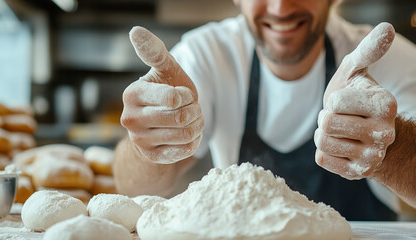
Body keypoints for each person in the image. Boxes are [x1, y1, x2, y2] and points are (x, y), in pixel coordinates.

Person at [114, 0, 416, 221]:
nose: (280, 7)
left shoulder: (389, 60)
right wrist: (149, 142)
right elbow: (131, 186)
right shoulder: (206, 55)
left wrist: (392, 145)